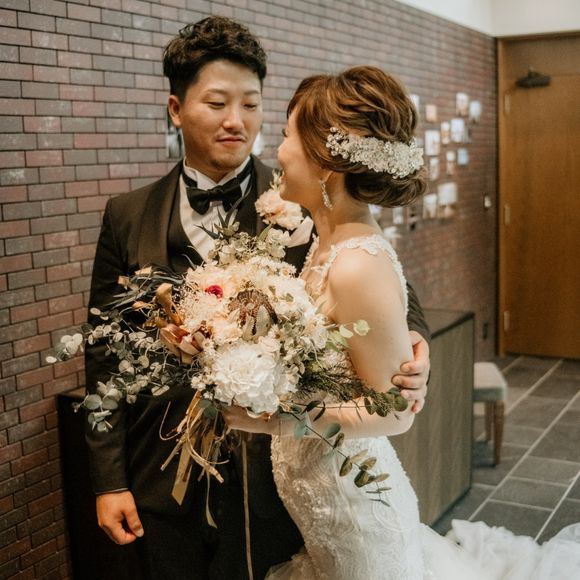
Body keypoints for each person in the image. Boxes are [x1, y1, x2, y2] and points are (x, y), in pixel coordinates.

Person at [84, 17, 432, 580]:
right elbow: (103, 353)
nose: (236, 121)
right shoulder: (126, 216)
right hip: (161, 477)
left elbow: (392, 290)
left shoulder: (308, 196)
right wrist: (109, 481)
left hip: (274, 493)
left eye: (251, 104)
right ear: (176, 109)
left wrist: (415, 347)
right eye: (216, 103)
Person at [223, 66, 580, 580]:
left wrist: (281, 418)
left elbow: (395, 413)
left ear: (326, 163)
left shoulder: (355, 263)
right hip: (323, 504)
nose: (277, 152)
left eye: (286, 136)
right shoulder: (329, 241)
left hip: (356, 516)